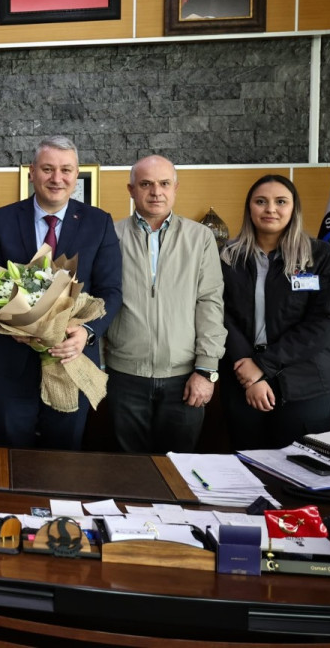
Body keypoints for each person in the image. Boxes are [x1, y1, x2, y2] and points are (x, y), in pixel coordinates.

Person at [0, 136, 122, 450]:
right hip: (11, 367)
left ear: (76, 174)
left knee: (64, 461)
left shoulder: (99, 223)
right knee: (10, 457)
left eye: (66, 170)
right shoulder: (1, 220)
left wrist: (86, 332)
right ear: (32, 172)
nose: (57, 178)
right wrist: (15, 326)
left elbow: (111, 290)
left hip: (71, 360)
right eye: (47, 169)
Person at [104, 155, 226, 453]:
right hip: (124, 376)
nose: (156, 192)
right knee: (129, 470)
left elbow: (209, 303)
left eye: (164, 184)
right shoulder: (110, 236)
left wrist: (207, 369)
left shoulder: (200, 238)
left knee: (178, 470)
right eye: (146, 184)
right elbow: (97, 301)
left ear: (176, 188)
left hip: (184, 378)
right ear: (131, 189)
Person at [220, 174, 330, 450]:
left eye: (280, 202)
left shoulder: (321, 257)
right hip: (241, 378)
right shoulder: (227, 257)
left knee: (302, 474)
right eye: (261, 201)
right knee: (247, 472)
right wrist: (247, 366)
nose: (270, 209)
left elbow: (324, 321)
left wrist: (262, 366)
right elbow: (219, 315)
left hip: (306, 384)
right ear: (249, 207)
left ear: (294, 209)